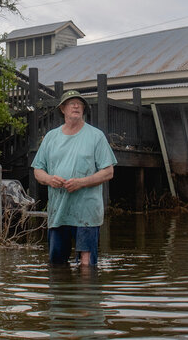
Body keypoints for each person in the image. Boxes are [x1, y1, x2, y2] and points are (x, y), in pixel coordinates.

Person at [31, 90, 117, 267]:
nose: (76, 106)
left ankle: (85, 293)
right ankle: (62, 293)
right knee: (56, 262)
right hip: (59, 210)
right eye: (71, 103)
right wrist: (49, 179)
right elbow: (38, 170)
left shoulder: (96, 136)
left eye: (79, 103)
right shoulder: (51, 137)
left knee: (86, 263)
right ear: (62, 108)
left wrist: (81, 182)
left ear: (84, 108)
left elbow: (108, 172)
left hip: (87, 211)